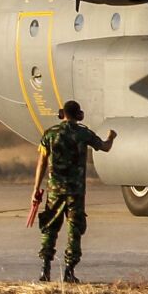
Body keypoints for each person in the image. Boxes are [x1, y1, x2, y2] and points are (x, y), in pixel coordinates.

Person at [31, 100, 116, 283]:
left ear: (62, 114)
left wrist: (36, 189)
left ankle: (45, 269)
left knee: (50, 228)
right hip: (75, 191)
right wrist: (111, 137)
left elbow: (41, 163)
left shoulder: (50, 134)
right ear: (79, 115)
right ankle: (69, 271)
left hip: (55, 189)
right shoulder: (83, 133)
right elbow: (105, 147)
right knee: (74, 229)